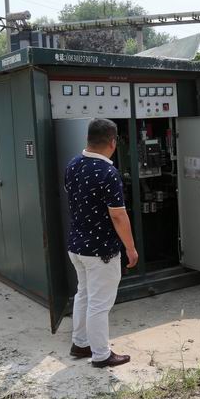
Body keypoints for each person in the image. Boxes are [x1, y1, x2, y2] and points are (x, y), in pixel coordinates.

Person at [65, 118, 138, 368]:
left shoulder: (73, 164)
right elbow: (118, 215)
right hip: (101, 251)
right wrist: (130, 248)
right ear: (113, 142)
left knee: (84, 295)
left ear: (89, 138)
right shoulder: (108, 172)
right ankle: (101, 354)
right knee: (99, 303)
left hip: (77, 246)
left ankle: (80, 343)